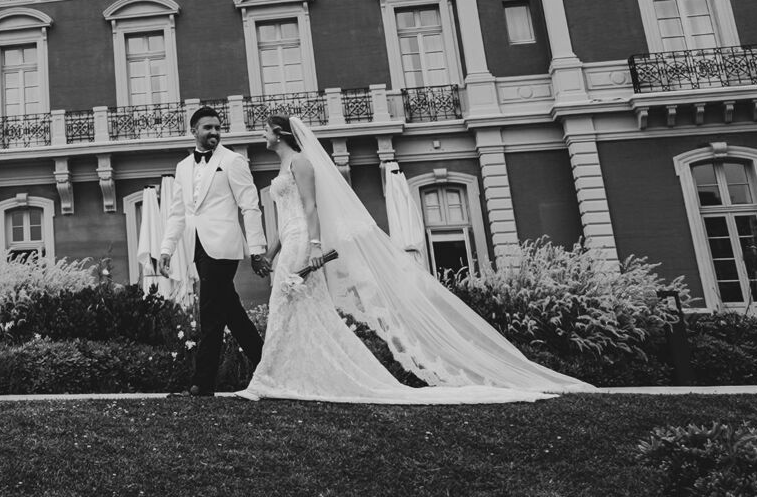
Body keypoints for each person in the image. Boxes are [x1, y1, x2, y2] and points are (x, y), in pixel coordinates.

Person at [237, 115, 592, 403]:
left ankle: (266, 378)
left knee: (285, 304)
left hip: (303, 241)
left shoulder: (302, 163)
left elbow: (311, 207)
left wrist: (315, 246)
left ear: (279, 133)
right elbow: (285, 220)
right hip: (290, 239)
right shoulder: (284, 167)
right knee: (300, 310)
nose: (262, 135)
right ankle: (289, 375)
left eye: (266, 130)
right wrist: (269, 254)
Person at [158, 104, 268, 396]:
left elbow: (250, 206)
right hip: (197, 247)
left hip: (223, 247)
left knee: (210, 313)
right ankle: (269, 366)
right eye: (208, 127)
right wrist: (166, 249)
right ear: (193, 130)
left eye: (218, 128)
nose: (214, 132)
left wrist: (257, 249)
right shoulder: (183, 167)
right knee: (231, 312)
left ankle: (203, 384)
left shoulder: (232, 161)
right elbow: (178, 213)